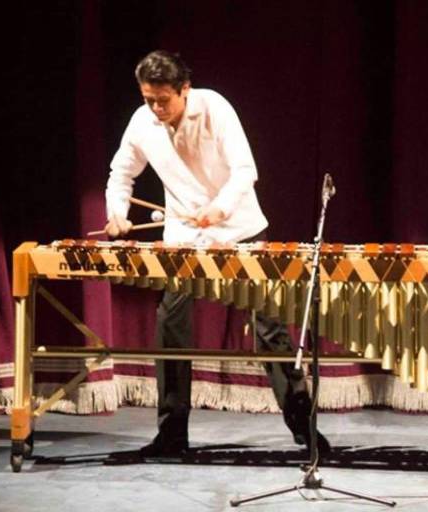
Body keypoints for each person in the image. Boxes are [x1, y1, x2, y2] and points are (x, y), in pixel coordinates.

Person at [104, 50, 329, 457]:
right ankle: (172, 436)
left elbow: (245, 170)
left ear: (184, 90)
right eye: (148, 99)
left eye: (163, 100)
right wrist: (116, 213)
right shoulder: (142, 122)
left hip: (239, 230)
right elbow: (121, 174)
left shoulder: (215, 108)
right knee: (170, 326)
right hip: (184, 239)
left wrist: (218, 209)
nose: (156, 109)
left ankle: (305, 430)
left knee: (270, 330)